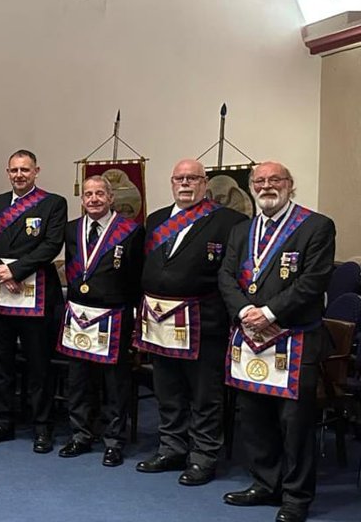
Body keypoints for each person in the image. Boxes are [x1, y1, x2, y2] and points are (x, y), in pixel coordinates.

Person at [219, 163, 335, 522]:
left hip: (293, 339)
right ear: (252, 187)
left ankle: (296, 495)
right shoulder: (242, 229)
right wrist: (243, 312)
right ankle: (264, 483)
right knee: (253, 417)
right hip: (250, 337)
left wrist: (268, 312)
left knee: (294, 422)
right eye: (260, 181)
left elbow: (313, 282)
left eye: (275, 180)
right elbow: (225, 275)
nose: (267, 186)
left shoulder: (316, 226)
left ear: (290, 185)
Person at [134, 158, 246, 485]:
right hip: (158, 321)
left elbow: (234, 273)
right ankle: (171, 448)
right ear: (171, 182)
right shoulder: (155, 220)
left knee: (204, 394)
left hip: (203, 322)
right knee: (167, 389)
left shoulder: (229, 222)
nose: (185, 184)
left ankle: (203, 456)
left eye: (193, 178)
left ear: (205, 182)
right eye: (179, 178)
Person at [0, 149, 67, 453]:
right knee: (0, 363)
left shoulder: (53, 203)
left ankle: (42, 427)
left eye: (25, 170)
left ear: (36, 171)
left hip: (36, 295)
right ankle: (3, 422)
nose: (19, 175)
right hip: (0, 295)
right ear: (8, 172)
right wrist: (2, 273)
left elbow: (52, 245)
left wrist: (15, 270)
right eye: (14, 170)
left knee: (38, 364)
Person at [56, 175, 143, 467]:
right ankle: (81, 434)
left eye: (99, 194)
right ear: (82, 200)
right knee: (79, 381)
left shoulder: (130, 232)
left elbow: (135, 278)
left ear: (110, 198)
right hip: (79, 314)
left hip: (113, 315)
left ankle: (114, 441)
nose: (93, 199)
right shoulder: (71, 229)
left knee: (115, 383)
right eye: (88, 194)